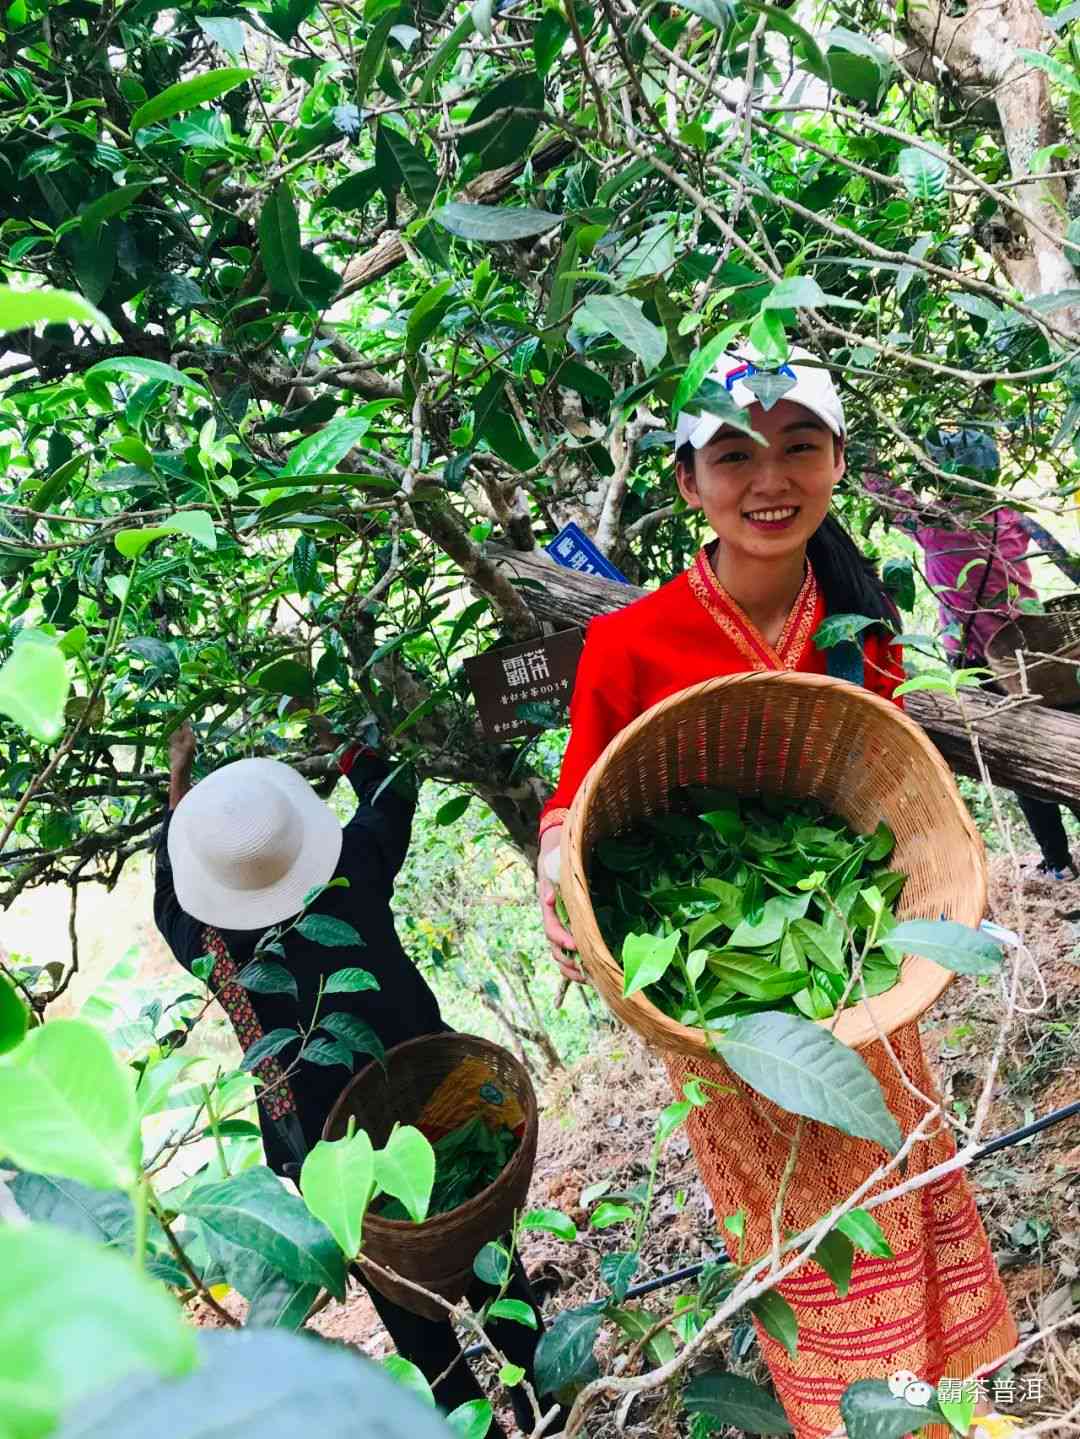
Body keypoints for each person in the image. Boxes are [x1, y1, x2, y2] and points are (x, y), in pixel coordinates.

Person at [536, 346, 1018, 1439]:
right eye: (735, 453)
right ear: (687, 481)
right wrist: (554, 868)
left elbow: (882, 786)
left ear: (838, 460)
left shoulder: (857, 626)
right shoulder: (628, 641)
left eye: (801, 445)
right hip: (723, 1030)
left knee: (907, 1191)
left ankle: (944, 1412)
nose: (771, 477)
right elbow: (574, 798)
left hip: (862, 985)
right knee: (809, 1233)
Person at [155, 716, 545, 1436]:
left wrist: (180, 775)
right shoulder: (353, 862)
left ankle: (477, 1424)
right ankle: (548, 1404)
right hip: (436, 1102)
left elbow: (168, 882)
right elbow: (389, 791)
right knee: (490, 1264)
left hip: (329, 1154)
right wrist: (342, 742)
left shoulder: (205, 939)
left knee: (416, 1326)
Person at [866, 455, 1080, 879]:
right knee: (1070, 744)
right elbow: (1067, 564)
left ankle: (1057, 862)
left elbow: (881, 491)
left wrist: (861, 454)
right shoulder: (1012, 518)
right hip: (1036, 652)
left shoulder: (932, 526)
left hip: (976, 662)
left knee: (1019, 760)